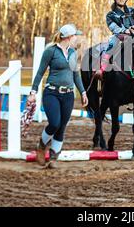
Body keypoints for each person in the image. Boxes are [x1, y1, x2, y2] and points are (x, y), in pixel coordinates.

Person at [27, 24, 88, 168]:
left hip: (68, 95)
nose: (76, 38)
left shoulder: (73, 53)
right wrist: (33, 92)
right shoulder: (50, 52)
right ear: (68, 37)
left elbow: (75, 75)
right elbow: (40, 73)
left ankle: (54, 157)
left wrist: (83, 92)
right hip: (51, 93)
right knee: (54, 123)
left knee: (61, 127)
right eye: (75, 36)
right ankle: (41, 146)